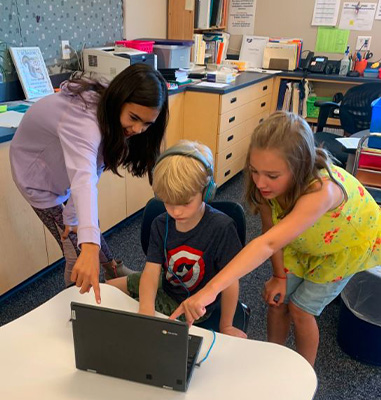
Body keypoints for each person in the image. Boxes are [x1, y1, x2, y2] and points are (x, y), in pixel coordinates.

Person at [170, 112, 381, 365]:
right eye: (254, 171)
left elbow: (267, 243)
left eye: (271, 176)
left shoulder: (323, 190)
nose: (260, 182)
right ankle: (272, 361)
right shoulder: (266, 185)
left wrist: (209, 291)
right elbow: (271, 234)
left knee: (301, 310)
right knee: (277, 299)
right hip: (300, 239)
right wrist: (279, 276)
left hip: (341, 246)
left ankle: (306, 375)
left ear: (300, 167)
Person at [10, 63, 169, 304]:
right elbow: (83, 177)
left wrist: (80, 223)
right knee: (75, 247)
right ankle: (79, 304)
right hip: (36, 175)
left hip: (65, 170)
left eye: (147, 124)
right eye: (134, 118)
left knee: (86, 227)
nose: (138, 129)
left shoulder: (111, 112)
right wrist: (87, 243)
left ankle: (112, 271)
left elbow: (91, 168)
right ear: (120, 100)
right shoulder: (84, 121)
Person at [107, 140, 247, 338]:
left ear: (207, 192)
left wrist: (226, 326)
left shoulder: (222, 228)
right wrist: (146, 310)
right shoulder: (160, 223)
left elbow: (231, 281)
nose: (176, 211)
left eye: (185, 202)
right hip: (166, 282)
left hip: (193, 306)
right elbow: (152, 272)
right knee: (106, 291)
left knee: (127, 325)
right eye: (168, 202)